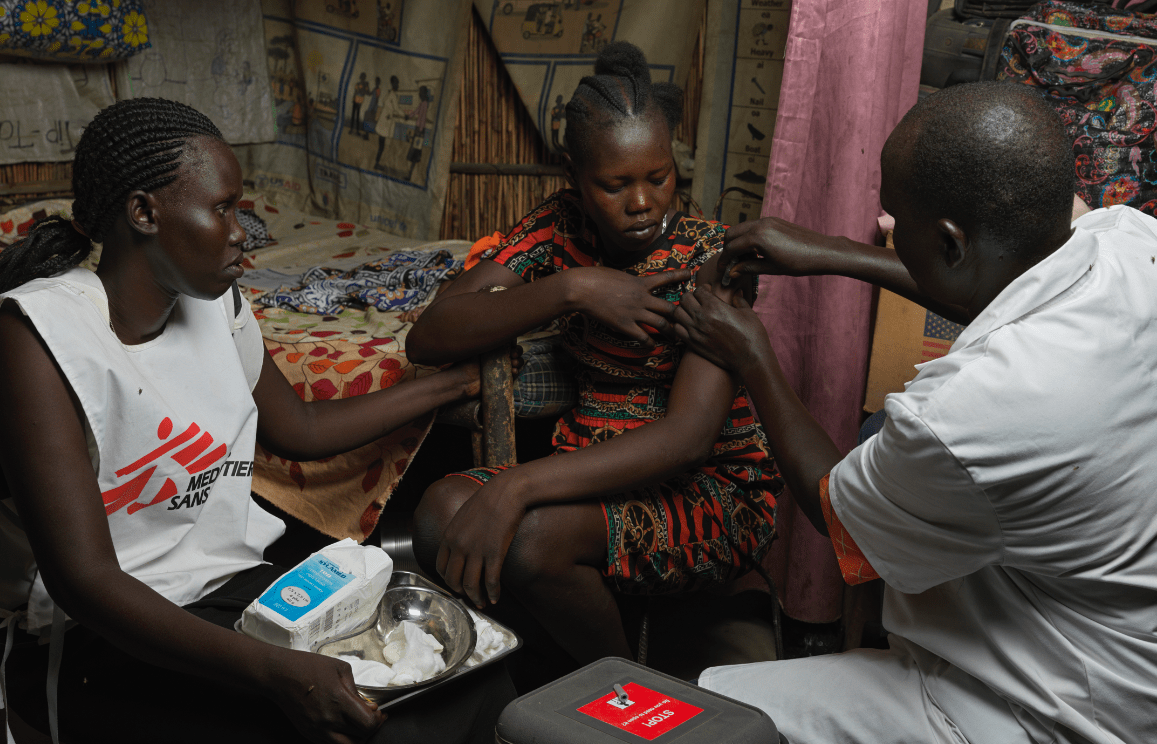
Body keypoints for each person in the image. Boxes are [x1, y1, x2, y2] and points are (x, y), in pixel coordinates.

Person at [0, 97, 514, 744]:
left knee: (474, 687)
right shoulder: (41, 336)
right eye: (222, 209)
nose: (244, 231)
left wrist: (444, 388)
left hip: (227, 588)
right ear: (143, 212)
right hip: (97, 639)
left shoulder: (216, 306)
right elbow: (86, 583)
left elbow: (299, 429)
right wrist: (276, 671)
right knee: (373, 730)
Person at [672, 82, 1157, 743]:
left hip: (1056, 703)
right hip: (1120, 635)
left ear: (951, 244)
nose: (888, 229)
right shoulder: (1125, 241)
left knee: (712, 713)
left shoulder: (969, 414)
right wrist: (834, 254)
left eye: (895, 220)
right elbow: (1000, 287)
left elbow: (833, 508)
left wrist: (752, 354)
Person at [406, 42, 781, 666]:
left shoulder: (711, 260)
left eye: (659, 177)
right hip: (585, 473)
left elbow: (687, 438)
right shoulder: (559, 227)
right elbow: (432, 334)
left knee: (524, 539)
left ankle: (621, 692)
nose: (642, 202)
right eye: (615, 184)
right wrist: (572, 288)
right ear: (575, 177)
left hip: (707, 493)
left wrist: (516, 487)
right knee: (438, 514)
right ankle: (547, 664)